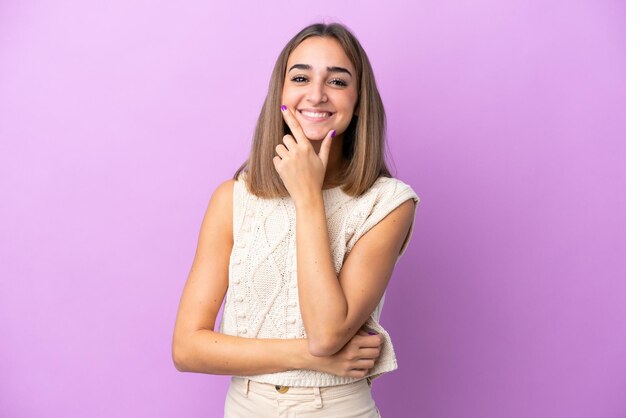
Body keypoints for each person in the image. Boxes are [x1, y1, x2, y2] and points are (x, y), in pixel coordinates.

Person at [172, 22, 420, 417]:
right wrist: (310, 358)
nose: (317, 94)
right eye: (300, 77)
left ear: (358, 103)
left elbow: (326, 334)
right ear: (281, 94)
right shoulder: (233, 198)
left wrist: (308, 197)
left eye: (337, 81)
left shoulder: (387, 203)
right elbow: (187, 349)